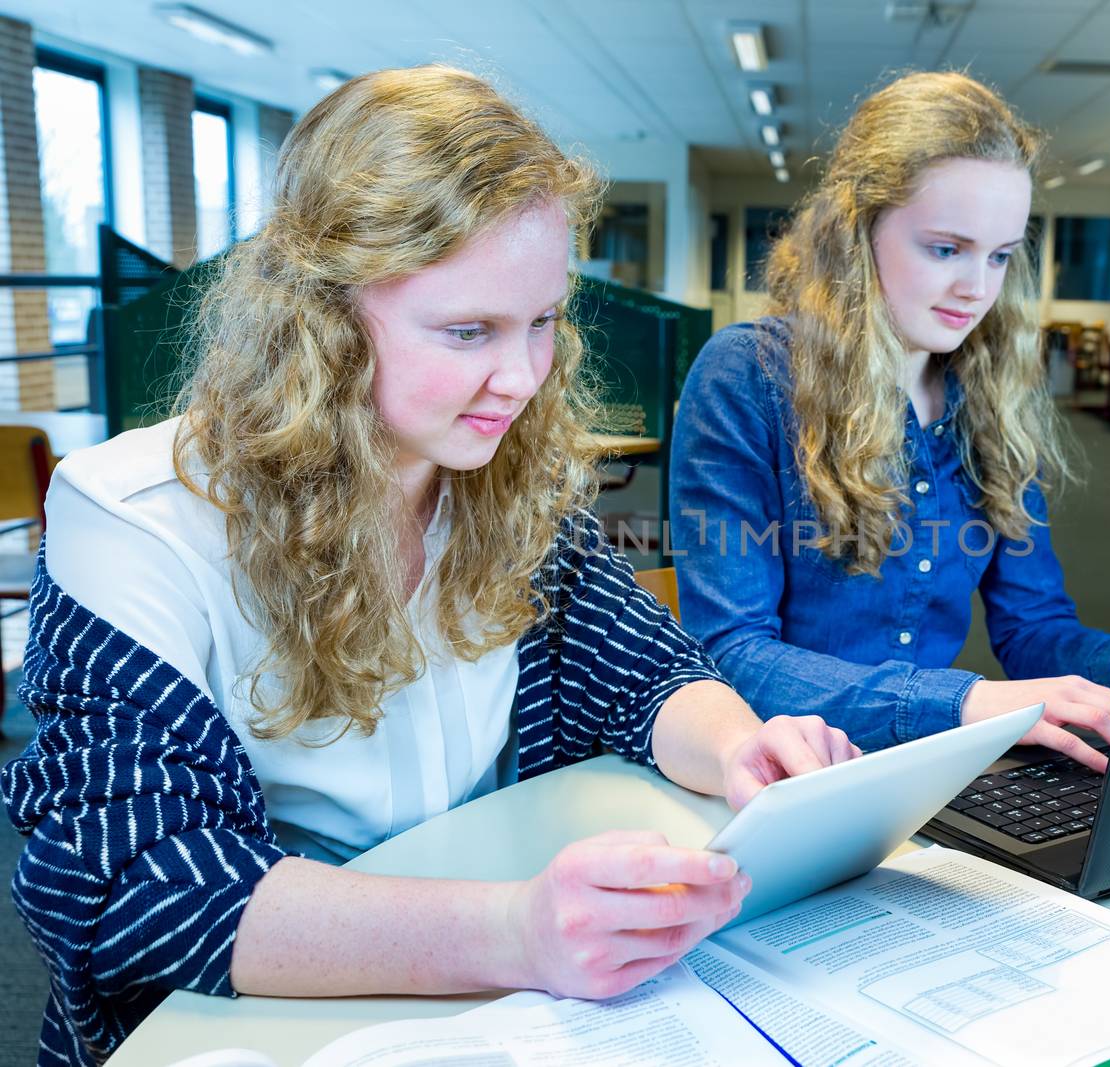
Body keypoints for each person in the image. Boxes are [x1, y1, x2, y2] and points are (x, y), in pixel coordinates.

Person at [3, 65, 857, 1066]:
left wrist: (739, 747)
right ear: (321, 322)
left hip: (478, 1006)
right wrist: (515, 932)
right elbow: (133, 880)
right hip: (244, 1021)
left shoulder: (494, 469)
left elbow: (644, 672)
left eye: (542, 321)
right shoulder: (132, 518)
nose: (524, 376)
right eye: (468, 331)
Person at [670, 71, 1110, 770]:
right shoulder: (749, 376)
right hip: (783, 780)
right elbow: (732, 656)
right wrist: (964, 703)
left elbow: (1034, 627)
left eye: (1000, 255)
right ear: (858, 232)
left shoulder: (987, 395)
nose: (977, 288)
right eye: (946, 248)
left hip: (920, 773)